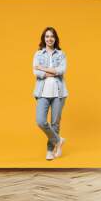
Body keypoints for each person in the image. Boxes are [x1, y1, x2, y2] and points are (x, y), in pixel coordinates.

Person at [32, 27, 68, 161]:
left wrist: (43, 68)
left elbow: (61, 71)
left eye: (52, 36)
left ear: (55, 38)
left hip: (59, 93)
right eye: (47, 36)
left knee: (55, 123)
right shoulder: (38, 54)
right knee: (41, 121)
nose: (49, 39)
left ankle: (50, 150)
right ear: (43, 38)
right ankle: (58, 140)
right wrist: (50, 71)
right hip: (42, 92)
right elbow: (36, 73)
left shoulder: (61, 54)